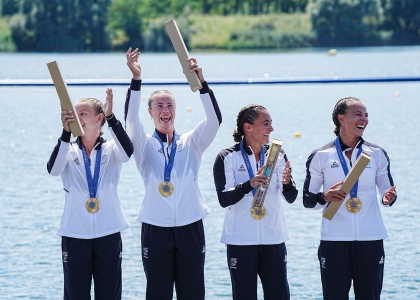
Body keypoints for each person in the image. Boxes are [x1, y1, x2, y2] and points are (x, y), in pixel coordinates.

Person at [124, 47, 222, 300]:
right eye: (159, 106)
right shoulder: (143, 145)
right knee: (158, 293)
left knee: (193, 294)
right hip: (155, 228)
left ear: (175, 111)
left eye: (169, 105)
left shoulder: (192, 142)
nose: (165, 110)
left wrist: (202, 83)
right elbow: (130, 121)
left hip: (190, 226)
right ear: (151, 112)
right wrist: (136, 79)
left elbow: (214, 120)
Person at [303, 97, 397, 300]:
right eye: (358, 114)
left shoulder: (377, 154)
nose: (364, 119)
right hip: (334, 241)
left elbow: (387, 191)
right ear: (341, 118)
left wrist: (389, 197)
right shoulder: (321, 155)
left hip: (370, 239)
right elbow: (308, 200)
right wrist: (324, 196)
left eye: (366, 115)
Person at [47, 87, 133, 299]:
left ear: (99, 118)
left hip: (108, 233)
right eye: (74, 114)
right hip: (75, 235)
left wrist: (112, 118)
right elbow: (53, 170)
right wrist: (65, 133)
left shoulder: (112, 149)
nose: (77, 118)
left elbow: (128, 152)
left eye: (83, 114)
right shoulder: (68, 150)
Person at [213, 104, 298, 300]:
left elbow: (292, 197)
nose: (271, 129)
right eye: (266, 124)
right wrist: (248, 184)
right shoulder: (227, 157)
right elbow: (224, 199)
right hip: (240, 240)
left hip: (274, 238)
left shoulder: (277, 154)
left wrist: (286, 184)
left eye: (271, 123)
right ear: (248, 127)